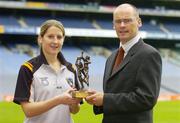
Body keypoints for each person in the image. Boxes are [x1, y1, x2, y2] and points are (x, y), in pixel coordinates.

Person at [85, 3, 162, 123]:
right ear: (113, 25)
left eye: (127, 21)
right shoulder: (111, 57)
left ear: (139, 22)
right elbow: (113, 94)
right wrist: (97, 100)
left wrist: (105, 99)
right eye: (118, 21)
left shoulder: (149, 54)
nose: (122, 25)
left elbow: (146, 98)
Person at [13, 19, 81, 123]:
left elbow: (74, 111)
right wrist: (58, 100)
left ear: (63, 40)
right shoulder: (28, 68)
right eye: (50, 36)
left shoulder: (72, 69)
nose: (55, 41)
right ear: (40, 39)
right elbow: (28, 111)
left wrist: (74, 103)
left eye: (59, 37)